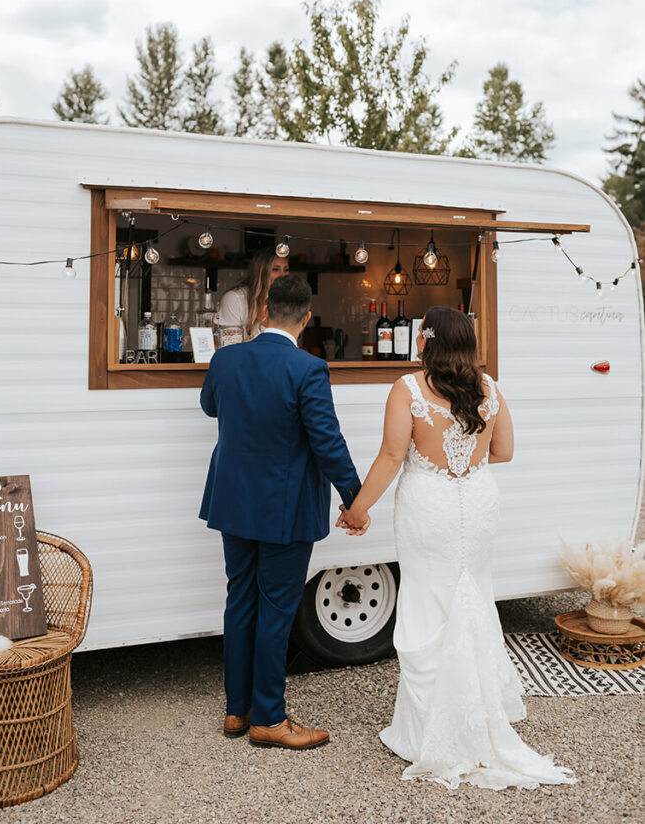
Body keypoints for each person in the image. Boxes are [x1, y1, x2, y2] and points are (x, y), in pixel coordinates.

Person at [337, 307, 576, 791]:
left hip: (430, 506)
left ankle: (429, 731)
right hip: (478, 502)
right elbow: (504, 452)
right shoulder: (489, 389)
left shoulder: (407, 389)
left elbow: (390, 455)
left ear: (426, 341)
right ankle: (480, 711)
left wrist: (359, 509)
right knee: (473, 594)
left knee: (429, 600)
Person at [199, 274, 361, 749]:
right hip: (284, 509)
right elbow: (327, 443)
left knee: (241, 601)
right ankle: (268, 719)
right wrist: (353, 498)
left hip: (233, 501)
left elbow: (211, 406)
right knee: (275, 610)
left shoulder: (225, 359)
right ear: (306, 319)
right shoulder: (308, 368)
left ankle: (237, 710)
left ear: (264, 312)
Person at [217, 246, 289, 341]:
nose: (282, 275)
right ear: (261, 272)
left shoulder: (285, 302)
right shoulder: (235, 299)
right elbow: (228, 349)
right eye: (275, 269)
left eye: (286, 270)